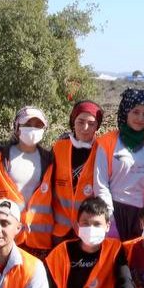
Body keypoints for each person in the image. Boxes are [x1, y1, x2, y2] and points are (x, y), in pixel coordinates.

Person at [0, 106, 56, 258]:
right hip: (6, 238)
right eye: (28, 124)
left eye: (38, 125)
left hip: (40, 242)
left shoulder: (50, 160)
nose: (33, 129)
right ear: (17, 128)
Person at [94, 88, 144, 240]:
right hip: (114, 210)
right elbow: (100, 183)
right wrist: (109, 216)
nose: (140, 118)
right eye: (135, 112)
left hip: (143, 213)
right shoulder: (107, 142)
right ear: (125, 111)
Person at [53, 101, 103, 242]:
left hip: (88, 226)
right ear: (73, 122)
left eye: (91, 123)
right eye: (80, 122)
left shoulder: (102, 149)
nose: (85, 128)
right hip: (60, 227)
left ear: (97, 126)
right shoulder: (59, 147)